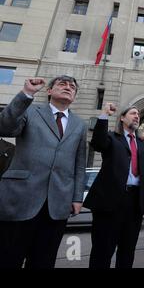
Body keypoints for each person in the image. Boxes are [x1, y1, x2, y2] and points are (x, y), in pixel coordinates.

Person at [0, 76, 87, 269]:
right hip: (21, 200)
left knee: (43, 261)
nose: (68, 87)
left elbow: (79, 164)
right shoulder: (30, 110)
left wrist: (77, 197)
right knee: (8, 258)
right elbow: (4, 127)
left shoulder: (79, 125)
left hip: (57, 205)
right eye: (62, 84)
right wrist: (27, 94)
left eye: (72, 86)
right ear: (49, 91)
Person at [83, 103, 144, 268]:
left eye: (138, 114)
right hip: (110, 202)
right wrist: (104, 115)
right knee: (103, 250)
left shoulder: (143, 145)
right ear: (122, 118)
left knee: (127, 251)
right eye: (133, 113)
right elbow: (98, 143)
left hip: (135, 201)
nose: (137, 116)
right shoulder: (111, 137)